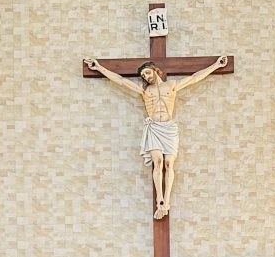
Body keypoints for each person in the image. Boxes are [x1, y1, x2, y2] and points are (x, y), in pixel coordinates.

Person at [84, 55, 228, 219]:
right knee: (158, 162)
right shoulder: (145, 90)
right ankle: (160, 200)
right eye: (143, 76)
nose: (145, 77)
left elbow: (194, 78)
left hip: (169, 128)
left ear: (154, 70)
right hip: (154, 128)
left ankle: (167, 202)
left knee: (169, 163)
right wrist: (99, 67)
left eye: (147, 73)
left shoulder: (171, 86)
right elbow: (121, 81)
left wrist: (216, 65)